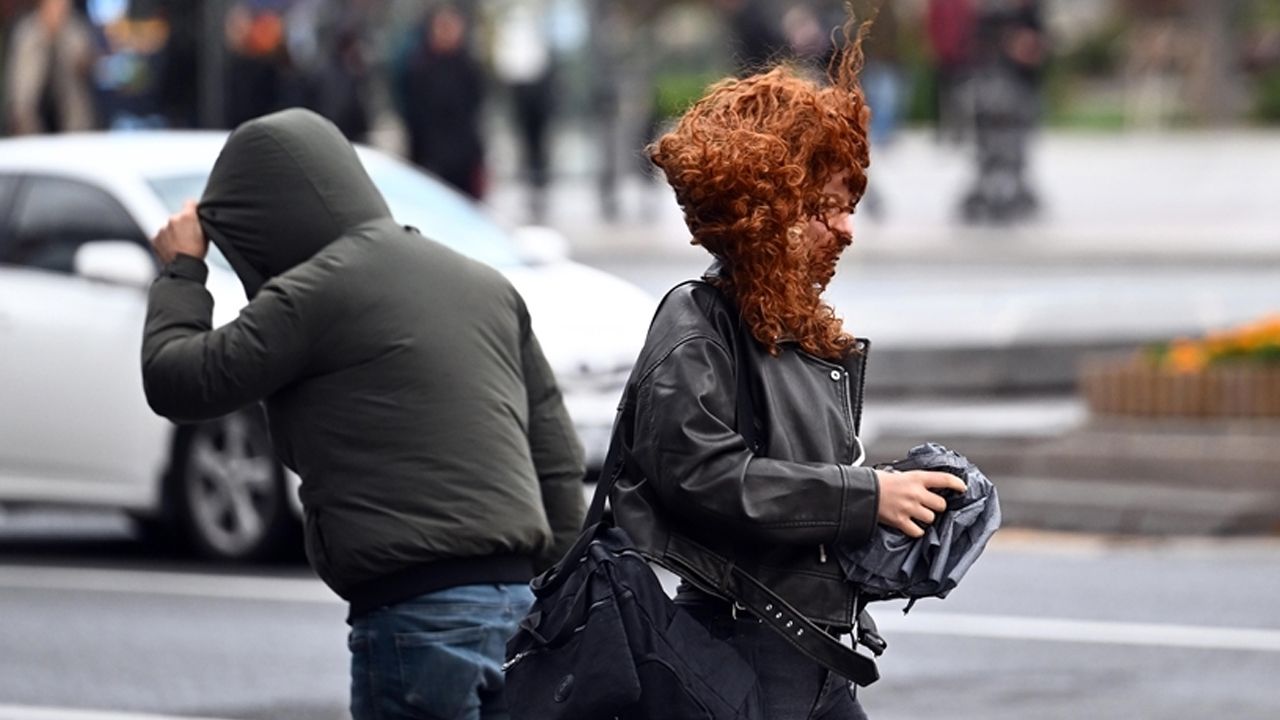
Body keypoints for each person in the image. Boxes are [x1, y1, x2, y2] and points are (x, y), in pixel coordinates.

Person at [140, 108, 586, 720]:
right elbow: (556, 457)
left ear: (265, 223)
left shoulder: (313, 293)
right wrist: (550, 603)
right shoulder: (483, 284)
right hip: (517, 608)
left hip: (415, 615)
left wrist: (183, 268)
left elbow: (178, 380)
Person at [608, 12, 967, 720]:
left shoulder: (796, 325)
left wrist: (898, 503)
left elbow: (798, 490)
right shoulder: (698, 322)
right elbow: (702, 477)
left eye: (851, 205)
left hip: (815, 659)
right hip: (743, 654)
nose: (847, 228)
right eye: (825, 207)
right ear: (766, 212)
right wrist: (868, 497)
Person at [402, 3, 486, 199]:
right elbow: (414, 114)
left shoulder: (468, 66)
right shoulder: (419, 67)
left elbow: (474, 110)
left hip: (463, 158)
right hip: (432, 157)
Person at [3, 0, 96, 135]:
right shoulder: (26, 32)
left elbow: (85, 65)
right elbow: (18, 80)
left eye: (64, 5)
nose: (59, 9)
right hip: (31, 118)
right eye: (55, 4)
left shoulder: (75, 29)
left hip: (70, 120)